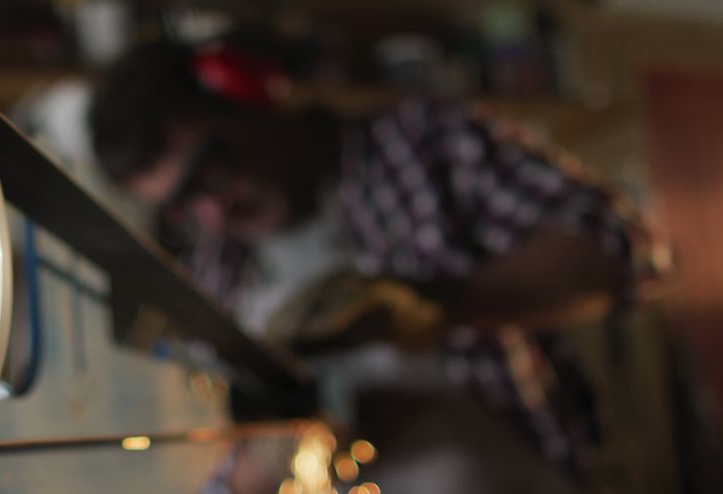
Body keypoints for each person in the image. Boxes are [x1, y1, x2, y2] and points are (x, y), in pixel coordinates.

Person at [89, 40, 651, 471]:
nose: (215, 213)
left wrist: (433, 303)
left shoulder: (424, 145)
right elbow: (221, 488)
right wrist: (274, 440)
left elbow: (611, 250)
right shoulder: (212, 282)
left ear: (249, 91)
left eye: (209, 171)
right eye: (185, 206)